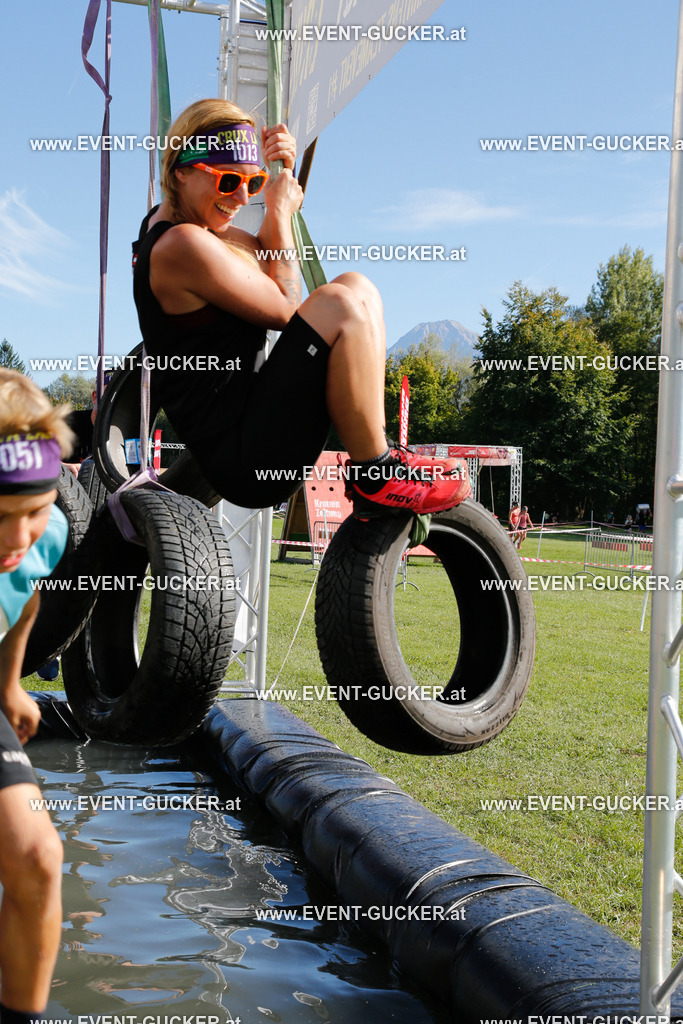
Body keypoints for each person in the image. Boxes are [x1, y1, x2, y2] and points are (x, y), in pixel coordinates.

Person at [132, 99, 470, 517]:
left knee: (357, 287)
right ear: (181, 169)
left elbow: (267, 259)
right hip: (245, 459)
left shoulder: (179, 227)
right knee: (339, 303)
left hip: (249, 432)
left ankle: (380, 461)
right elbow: (289, 306)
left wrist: (279, 175)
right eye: (226, 182)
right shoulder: (182, 244)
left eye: (252, 183)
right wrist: (277, 207)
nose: (240, 197)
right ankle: (377, 475)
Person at [0, 369, 72, 1024]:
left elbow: (26, 596)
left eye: (32, 511)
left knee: (38, 856)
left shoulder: (44, 538)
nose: (17, 539)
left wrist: (10, 684)